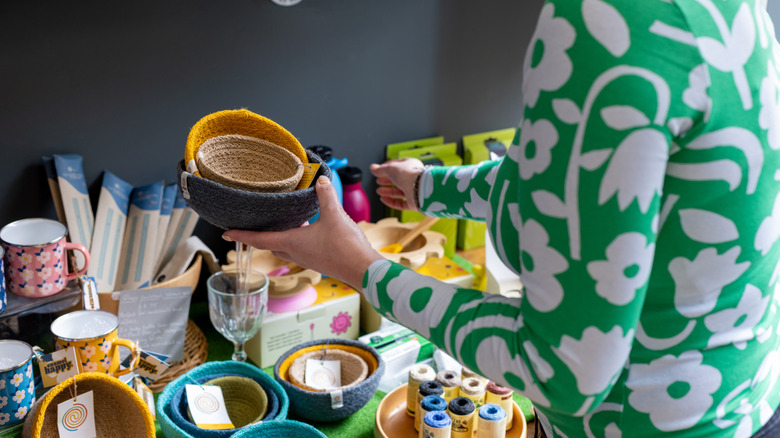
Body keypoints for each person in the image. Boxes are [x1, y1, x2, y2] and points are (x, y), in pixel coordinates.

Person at [224, 1, 780, 436]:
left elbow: (563, 370)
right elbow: (571, 187)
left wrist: (360, 268)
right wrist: (427, 187)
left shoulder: (607, 27)